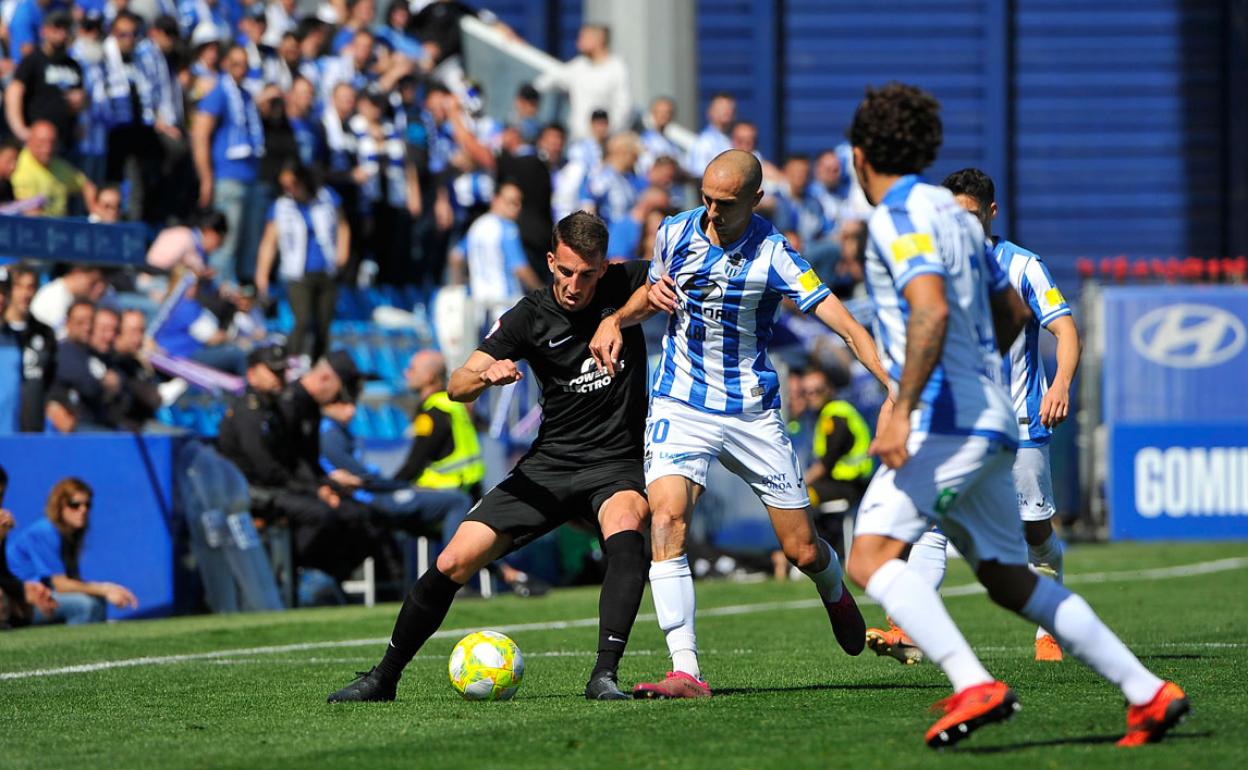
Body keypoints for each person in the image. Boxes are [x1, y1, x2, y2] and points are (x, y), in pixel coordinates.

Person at [841, 82, 1185, 749]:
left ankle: (973, 682)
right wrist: (974, 376)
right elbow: (1013, 314)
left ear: (860, 156)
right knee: (1006, 577)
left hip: (942, 420)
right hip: (992, 416)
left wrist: (904, 404)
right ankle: (1149, 693)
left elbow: (932, 308)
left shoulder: (896, 218)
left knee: (869, 556)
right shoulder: (953, 216)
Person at [589, 149, 894, 698]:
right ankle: (686, 671)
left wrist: (894, 386)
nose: (710, 212)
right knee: (667, 520)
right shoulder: (676, 231)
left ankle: (833, 588)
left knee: (800, 548)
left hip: (751, 410)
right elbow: (651, 292)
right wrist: (619, 316)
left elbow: (846, 324)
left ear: (755, 200)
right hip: (680, 401)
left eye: (724, 204)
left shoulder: (776, 255)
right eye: (705, 198)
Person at [328, 212, 652, 703]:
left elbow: (679, 272)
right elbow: (457, 383)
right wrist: (486, 376)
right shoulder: (529, 315)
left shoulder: (626, 282)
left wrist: (616, 318)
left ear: (605, 268)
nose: (574, 285)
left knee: (628, 529)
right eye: (565, 272)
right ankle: (383, 678)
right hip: (550, 465)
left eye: (587, 275)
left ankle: (603, 677)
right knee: (455, 558)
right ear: (550, 262)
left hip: (615, 462)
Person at [865, 167, 1086, 665]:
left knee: (1034, 534)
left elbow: (1065, 330)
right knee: (931, 524)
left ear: (991, 213)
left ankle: (1052, 626)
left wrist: (1061, 382)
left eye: (969, 216)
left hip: (1020, 425)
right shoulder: (931, 267)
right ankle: (909, 630)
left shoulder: (1023, 266)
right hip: (954, 423)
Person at [218, 353, 383, 587]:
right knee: (323, 515)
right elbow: (271, 468)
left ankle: (324, 582)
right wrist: (318, 490)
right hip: (256, 492)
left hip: (279, 487)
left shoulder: (277, 406)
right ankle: (286, 577)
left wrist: (325, 485)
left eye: (281, 372)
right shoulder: (260, 408)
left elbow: (302, 462)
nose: (280, 378)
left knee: (362, 516)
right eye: (273, 372)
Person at [4, 477, 139, 625]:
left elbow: (73, 580)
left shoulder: (69, 536)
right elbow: (60, 585)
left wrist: (105, 590)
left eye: (87, 505)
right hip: (20, 603)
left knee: (98, 601)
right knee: (85, 606)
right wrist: (105, 589)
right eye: (74, 505)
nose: (83, 510)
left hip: (46, 597)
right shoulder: (44, 530)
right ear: (59, 506)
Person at [255, 163, 349, 361]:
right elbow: (269, 242)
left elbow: (342, 226)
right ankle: (290, 361)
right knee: (303, 320)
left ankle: (319, 364)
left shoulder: (327, 197)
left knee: (324, 324)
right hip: (297, 273)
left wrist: (342, 254)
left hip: (326, 269)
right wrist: (262, 274)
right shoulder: (281, 206)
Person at [193, 44, 267, 284]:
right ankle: (220, 293)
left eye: (245, 64)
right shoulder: (219, 92)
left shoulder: (246, 95)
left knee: (249, 243)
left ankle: (242, 293)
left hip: (250, 177)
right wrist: (206, 178)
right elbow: (200, 133)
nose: (241, 69)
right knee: (226, 244)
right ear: (224, 63)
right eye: (235, 63)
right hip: (227, 177)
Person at [800, 366, 872, 556]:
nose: (812, 396)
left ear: (830, 389)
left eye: (818, 390)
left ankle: (806, 552)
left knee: (799, 497)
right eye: (807, 392)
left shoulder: (836, 415)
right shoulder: (825, 415)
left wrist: (798, 484)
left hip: (850, 484)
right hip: (837, 484)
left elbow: (826, 463)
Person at [449, 181, 542, 322]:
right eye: (511, 202)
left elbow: (456, 257)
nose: (517, 208)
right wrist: (542, 292)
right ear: (496, 200)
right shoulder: (507, 228)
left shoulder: (477, 226)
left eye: (519, 203)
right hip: (506, 304)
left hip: (479, 306)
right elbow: (520, 269)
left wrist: (461, 286)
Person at [534, 24, 631, 140]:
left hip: (606, 140)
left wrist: (608, 132)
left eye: (583, 38)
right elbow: (544, 82)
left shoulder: (617, 68)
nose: (578, 42)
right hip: (578, 139)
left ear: (599, 40)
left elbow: (624, 106)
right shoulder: (578, 66)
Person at [4, 9, 84, 148]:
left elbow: (80, 101)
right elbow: (14, 92)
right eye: (56, 28)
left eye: (66, 28)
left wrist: (81, 103)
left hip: (66, 142)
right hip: (38, 144)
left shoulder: (73, 65)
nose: (62, 33)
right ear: (44, 31)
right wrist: (20, 130)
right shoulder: (32, 60)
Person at [0, 464, 59, 628]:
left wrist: (25, 590)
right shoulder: (43, 529)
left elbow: (2, 573)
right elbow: (59, 582)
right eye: (75, 505)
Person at [2, 264, 57, 433]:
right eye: (19, 286)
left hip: (32, 431)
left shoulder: (45, 333)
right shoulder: (4, 333)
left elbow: (51, 379)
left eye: (31, 287)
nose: (25, 294)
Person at [10, 120, 97, 217]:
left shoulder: (56, 164)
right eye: (41, 142)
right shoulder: (19, 168)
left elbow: (87, 186)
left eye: (52, 142)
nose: (47, 148)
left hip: (61, 227)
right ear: (29, 141)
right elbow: (31, 215)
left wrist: (96, 215)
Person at [29, 264, 105, 336]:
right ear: (77, 273)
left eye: (103, 282)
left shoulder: (85, 296)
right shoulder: (51, 300)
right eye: (93, 282)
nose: (100, 288)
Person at [684, 92, 734, 178]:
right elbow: (699, 174)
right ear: (710, 112)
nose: (727, 111)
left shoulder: (733, 139)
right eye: (722, 108)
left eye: (730, 108)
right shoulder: (703, 142)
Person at [639, 96, 682, 173]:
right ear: (653, 113)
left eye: (668, 112)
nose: (664, 116)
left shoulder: (673, 144)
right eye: (660, 112)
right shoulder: (644, 140)